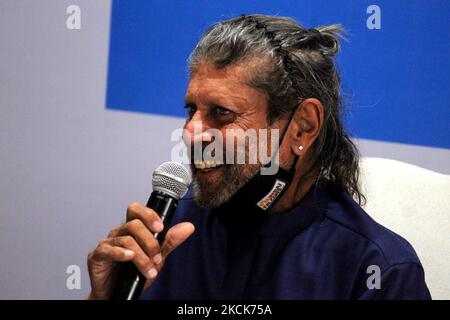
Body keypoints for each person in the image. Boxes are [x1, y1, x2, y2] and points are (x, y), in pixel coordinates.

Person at [87, 14, 431, 299]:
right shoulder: (170, 231)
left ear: (302, 127)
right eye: (192, 110)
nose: (191, 131)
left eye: (221, 113)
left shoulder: (378, 271)